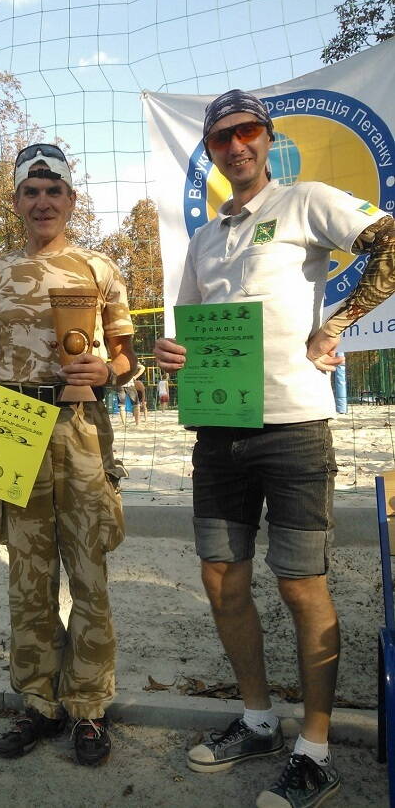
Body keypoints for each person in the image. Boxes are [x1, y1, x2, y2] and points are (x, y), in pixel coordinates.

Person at [155, 89, 395, 808]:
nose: (236, 146)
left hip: (294, 428)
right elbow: (192, 326)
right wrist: (173, 352)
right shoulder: (204, 239)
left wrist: (338, 324)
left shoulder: (304, 201)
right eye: (221, 137)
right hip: (218, 430)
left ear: (267, 137)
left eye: (247, 131)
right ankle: (259, 720)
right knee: (221, 578)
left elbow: (391, 240)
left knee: (301, 585)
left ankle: (314, 750)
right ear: (210, 150)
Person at [0, 143, 136, 766]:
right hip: (10, 422)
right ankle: (38, 701)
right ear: (17, 202)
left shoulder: (99, 269)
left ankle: (88, 706)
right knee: (28, 575)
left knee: (88, 569)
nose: (43, 201)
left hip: (79, 425)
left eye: (53, 190)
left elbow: (125, 354)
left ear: (71, 199)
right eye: (31, 192)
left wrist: (109, 370)